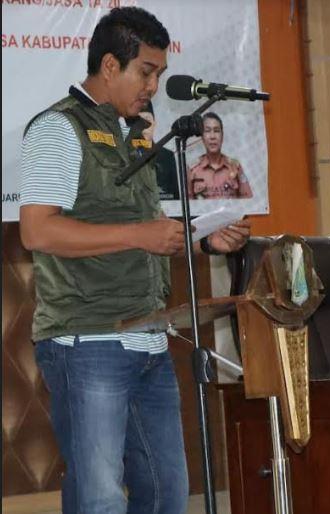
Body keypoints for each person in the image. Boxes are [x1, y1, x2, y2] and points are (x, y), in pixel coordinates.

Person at [18, 7, 250, 514]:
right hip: (87, 340)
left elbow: (149, 234)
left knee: (168, 494)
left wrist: (206, 242)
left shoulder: (136, 136)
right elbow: (36, 230)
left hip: (150, 338)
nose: (153, 86)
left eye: (160, 74)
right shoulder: (58, 129)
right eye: (146, 72)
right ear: (109, 66)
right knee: (100, 500)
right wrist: (139, 234)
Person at [186, 112, 253, 199]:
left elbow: (247, 201)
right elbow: (187, 204)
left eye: (216, 131)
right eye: (207, 131)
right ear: (202, 136)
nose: (212, 136)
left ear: (222, 135)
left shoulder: (235, 166)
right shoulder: (192, 169)